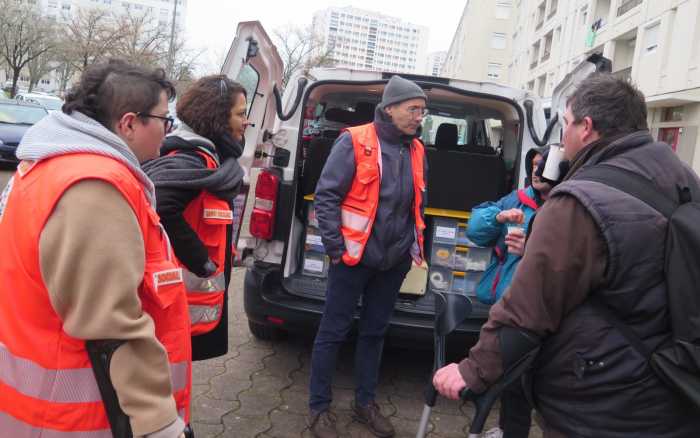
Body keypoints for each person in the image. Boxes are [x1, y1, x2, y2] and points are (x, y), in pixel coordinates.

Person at [433, 73, 700, 437]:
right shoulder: (682, 178)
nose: (563, 140)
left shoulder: (580, 199)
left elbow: (527, 310)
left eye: (566, 126)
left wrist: (473, 370)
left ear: (586, 128)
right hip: (672, 386)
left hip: (603, 401)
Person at [0, 60, 190, 437]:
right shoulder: (94, 187)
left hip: (48, 404)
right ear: (130, 123)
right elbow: (112, 322)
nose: (168, 134)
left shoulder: (52, 165)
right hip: (80, 416)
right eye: (164, 120)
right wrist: (158, 422)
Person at [308, 75, 429, 438]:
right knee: (332, 332)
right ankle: (318, 409)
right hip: (353, 258)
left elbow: (415, 204)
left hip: (392, 262)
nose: (418, 117)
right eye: (413, 109)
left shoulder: (417, 149)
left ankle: (365, 404)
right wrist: (336, 250)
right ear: (389, 108)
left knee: (375, 333)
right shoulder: (355, 140)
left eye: (422, 111)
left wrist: (411, 250)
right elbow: (326, 196)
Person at [143, 75, 246, 361]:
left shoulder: (211, 158)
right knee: (169, 370)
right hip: (180, 297)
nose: (246, 121)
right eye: (240, 114)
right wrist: (201, 261)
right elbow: (162, 208)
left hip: (193, 297)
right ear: (217, 117)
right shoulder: (190, 158)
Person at [466, 146, 552, 438]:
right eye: (534, 165)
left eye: (545, 165)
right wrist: (499, 217)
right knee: (511, 379)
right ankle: (508, 430)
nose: (537, 171)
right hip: (509, 304)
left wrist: (531, 251)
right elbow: (475, 230)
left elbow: (571, 261)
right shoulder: (518, 198)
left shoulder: (567, 207)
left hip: (546, 309)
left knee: (536, 381)